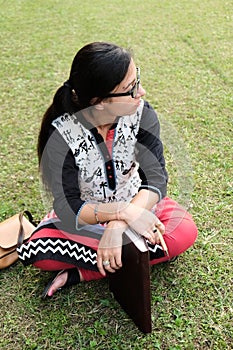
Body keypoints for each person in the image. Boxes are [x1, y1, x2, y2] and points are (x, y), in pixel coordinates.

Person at [17, 42, 198, 298]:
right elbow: (68, 206)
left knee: (183, 232)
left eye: (138, 80)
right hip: (90, 215)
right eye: (130, 89)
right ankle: (129, 253)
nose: (142, 92)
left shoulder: (143, 115)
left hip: (139, 202)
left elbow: (156, 180)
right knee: (39, 254)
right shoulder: (61, 134)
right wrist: (120, 214)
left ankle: (84, 271)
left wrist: (119, 225)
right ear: (99, 102)